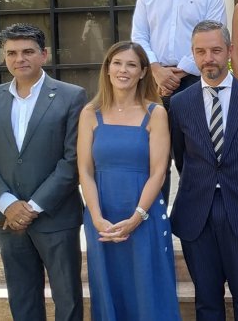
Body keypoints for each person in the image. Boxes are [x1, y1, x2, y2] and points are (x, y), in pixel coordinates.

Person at [0, 23, 87, 321]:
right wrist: (8, 204)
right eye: (11, 53)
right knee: (22, 299)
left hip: (56, 216)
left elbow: (72, 160)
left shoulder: (71, 96)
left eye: (27, 51)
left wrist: (33, 206)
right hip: (8, 220)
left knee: (68, 299)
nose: (19, 59)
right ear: (3, 56)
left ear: (44, 54)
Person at [171, 21, 238, 320]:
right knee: (207, 300)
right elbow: (181, 157)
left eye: (215, 50)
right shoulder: (179, 104)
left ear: (229, 51)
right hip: (196, 213)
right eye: (200, 52)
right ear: (192, 54)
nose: (208, 58)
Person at [78, 42, 181, 320]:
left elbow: (159, 171)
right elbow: (85, 170)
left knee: (148, 289)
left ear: (143, 72)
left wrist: (137, 216)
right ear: (108, 69)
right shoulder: (90, 113)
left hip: (144, 214)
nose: (123, 70)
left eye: (132, 64)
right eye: (117, 63)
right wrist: (97, 218)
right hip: (103, 216)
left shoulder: (155, 113)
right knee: (109, 288)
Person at [132, 0, 228, 201]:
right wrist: (155, 69)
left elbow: (213, 35)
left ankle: (195, 211)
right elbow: (139, 36)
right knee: (153, 152)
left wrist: (181, 70)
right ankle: (155, 214)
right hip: (153, 81)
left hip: (194, 81)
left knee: (192, 151)